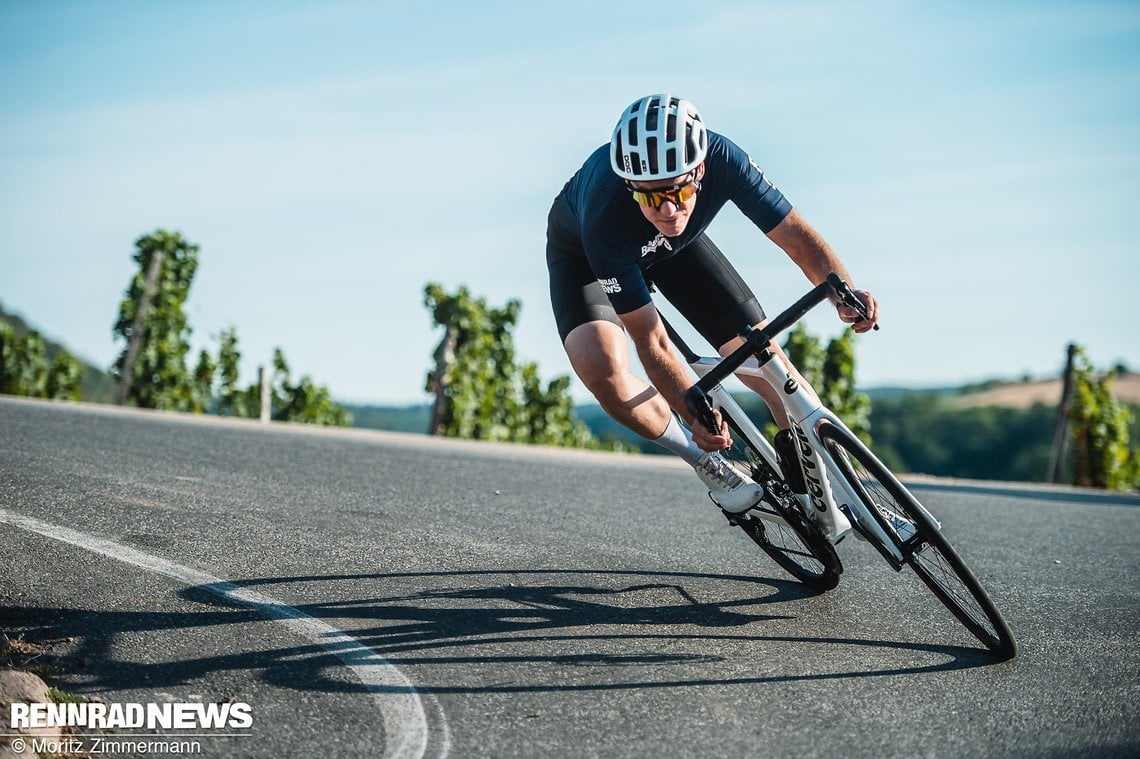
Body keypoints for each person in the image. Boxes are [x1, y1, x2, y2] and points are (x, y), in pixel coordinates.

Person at [546, 94, 879, 514]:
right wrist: (693, 409)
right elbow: (653, 342)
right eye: (649, 197)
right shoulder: (605, 218)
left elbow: (795, 238)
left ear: (698, 171)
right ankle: (704, 462)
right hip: (586, 259)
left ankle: (850, 496)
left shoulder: (725, 160)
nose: (667, 210)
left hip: (678, 250)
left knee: (766, 358)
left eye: (676, 191)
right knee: (603, 370)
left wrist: (843, 291)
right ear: (631, 186)